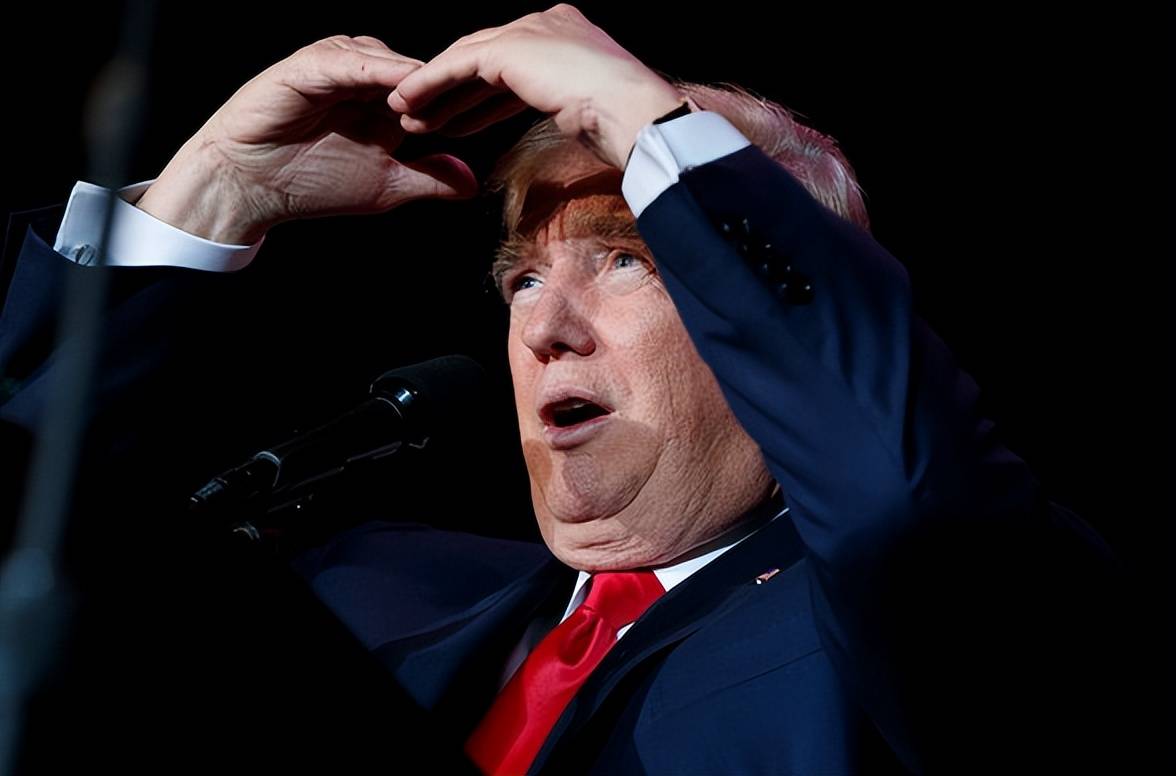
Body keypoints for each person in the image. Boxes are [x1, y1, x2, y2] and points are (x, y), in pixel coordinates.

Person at [0, 5, 1138, 773]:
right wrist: (208, 197)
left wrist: (640, 114)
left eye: (629, 258)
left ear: (761, 316)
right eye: (524, 277)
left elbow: (900, 500)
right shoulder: (367, 586)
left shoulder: (926, 605)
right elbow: (35, 561)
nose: (545, 327)